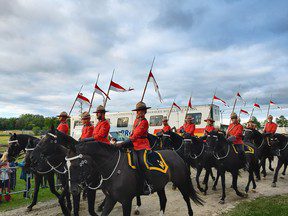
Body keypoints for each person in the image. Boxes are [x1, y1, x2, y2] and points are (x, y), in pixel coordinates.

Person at [116, 101, 153, 195]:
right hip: (134, 144)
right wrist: (125, 142)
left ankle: (147, 184)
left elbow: (136, 135)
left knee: (142, 162)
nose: (139, 112)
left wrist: (123, 143)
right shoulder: (137, 121)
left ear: (145, 111)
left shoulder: (144, 122)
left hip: (142, 145)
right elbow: (133, 133)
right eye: (138, 111)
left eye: (141, 111)